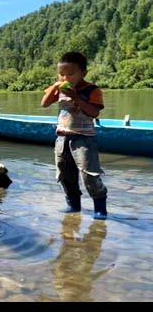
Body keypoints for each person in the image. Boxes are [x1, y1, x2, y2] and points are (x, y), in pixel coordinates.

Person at [41, 51, 108, 220]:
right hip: (62, 137)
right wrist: (55, 88)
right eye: (62, 74)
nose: (66, 78)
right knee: (64, 174)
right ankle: (73, 205)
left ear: (83, 73)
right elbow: (44, 104)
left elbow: (94, 112)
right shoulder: (60, 88)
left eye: (70, 74)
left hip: (84, 138)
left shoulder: (92, 90)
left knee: (90, 175)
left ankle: (100, 208)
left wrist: (76, 97)